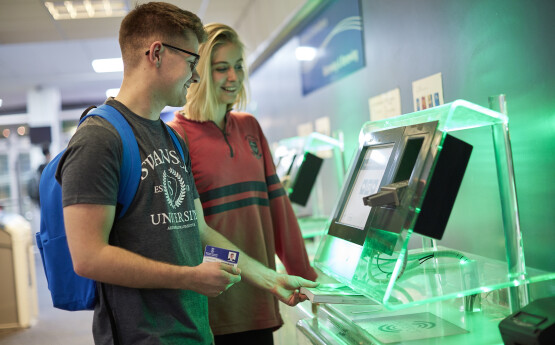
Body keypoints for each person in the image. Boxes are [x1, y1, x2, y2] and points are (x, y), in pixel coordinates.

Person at [57, 3, 317, 345]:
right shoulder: (99, 138)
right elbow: (88, 257)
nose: (196, 76)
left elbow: (198, 229)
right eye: (193, 63)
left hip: (196, 332)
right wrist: (189, 277)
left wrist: (269, 278)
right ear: (157, 54)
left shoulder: (170, 138)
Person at [167, 23, 318, 344]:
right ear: (201, 72)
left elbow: (280, 209)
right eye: (222, 68)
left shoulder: (249, 127)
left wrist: (306, 277)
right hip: (215, 302)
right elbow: (189, 229)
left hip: (262, 295)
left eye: (238, 67)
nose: (234, 77)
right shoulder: (176, 136)